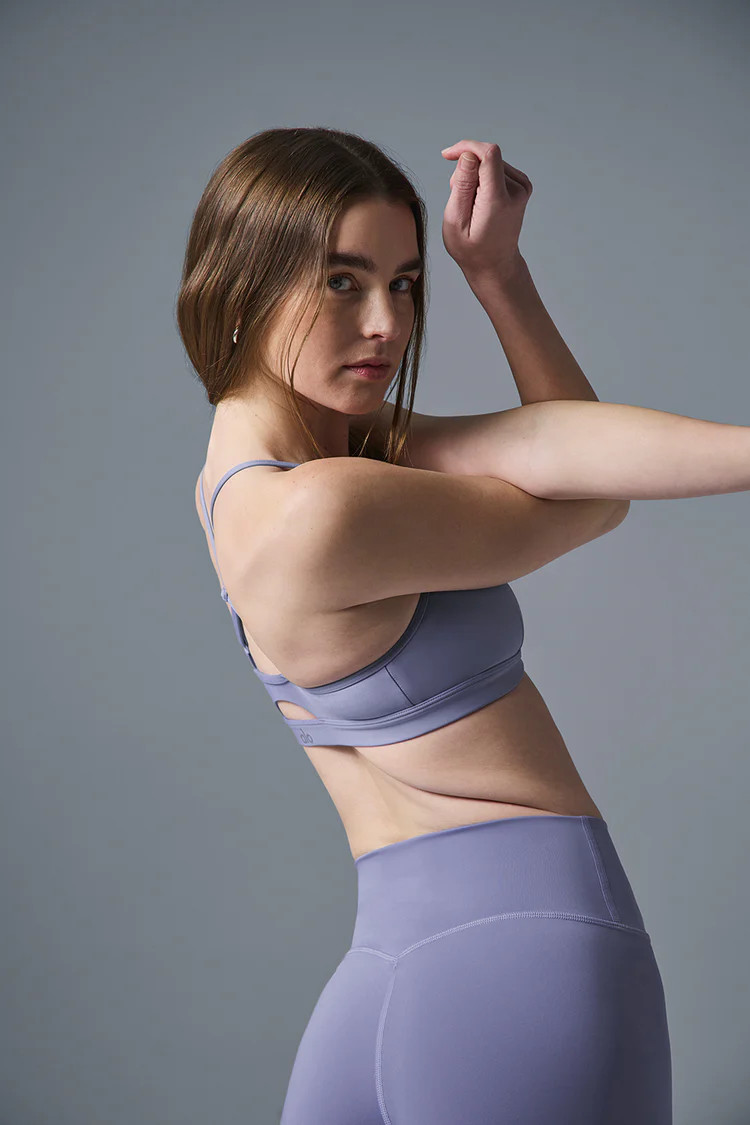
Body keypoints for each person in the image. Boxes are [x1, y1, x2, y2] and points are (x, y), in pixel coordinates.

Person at [178, 126, 745, 1122]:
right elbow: (589, 491)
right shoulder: (324, 508)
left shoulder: (254, 481)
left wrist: (496, 271)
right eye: (343, 281)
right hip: (509, 955)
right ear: (241, 284)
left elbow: (563, 450)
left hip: (425, 968)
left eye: (404, 283)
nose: (387, 323)